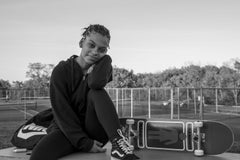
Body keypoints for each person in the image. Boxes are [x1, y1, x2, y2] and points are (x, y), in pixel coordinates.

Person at [30, 24, 139, 160]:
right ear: (81, 43)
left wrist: (107, 59)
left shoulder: (102, 68)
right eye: (91, 45)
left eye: (102, 49)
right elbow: (62, 112)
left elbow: (95, 83)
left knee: (96, 92)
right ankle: (78, 143)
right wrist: (84, 143)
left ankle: (118, 145)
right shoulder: (62, 70)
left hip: (94, 130)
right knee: (38, 156)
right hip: (66, 130)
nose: (95, 52)